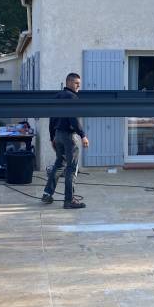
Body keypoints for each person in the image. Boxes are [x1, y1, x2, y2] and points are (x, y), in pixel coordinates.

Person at [41, 72, 89, 209]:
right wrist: (83, 135)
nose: (79, 86)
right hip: (68, 136)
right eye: (76, 83)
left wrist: (52, 137)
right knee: (71, 168)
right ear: (68, 82)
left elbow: (52, 118)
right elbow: (73, 119)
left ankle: (47, 194)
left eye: (79, 83)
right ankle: (69, 200)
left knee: (59, 164)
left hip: (58, 135)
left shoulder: (57, 96)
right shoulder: (72, 97)